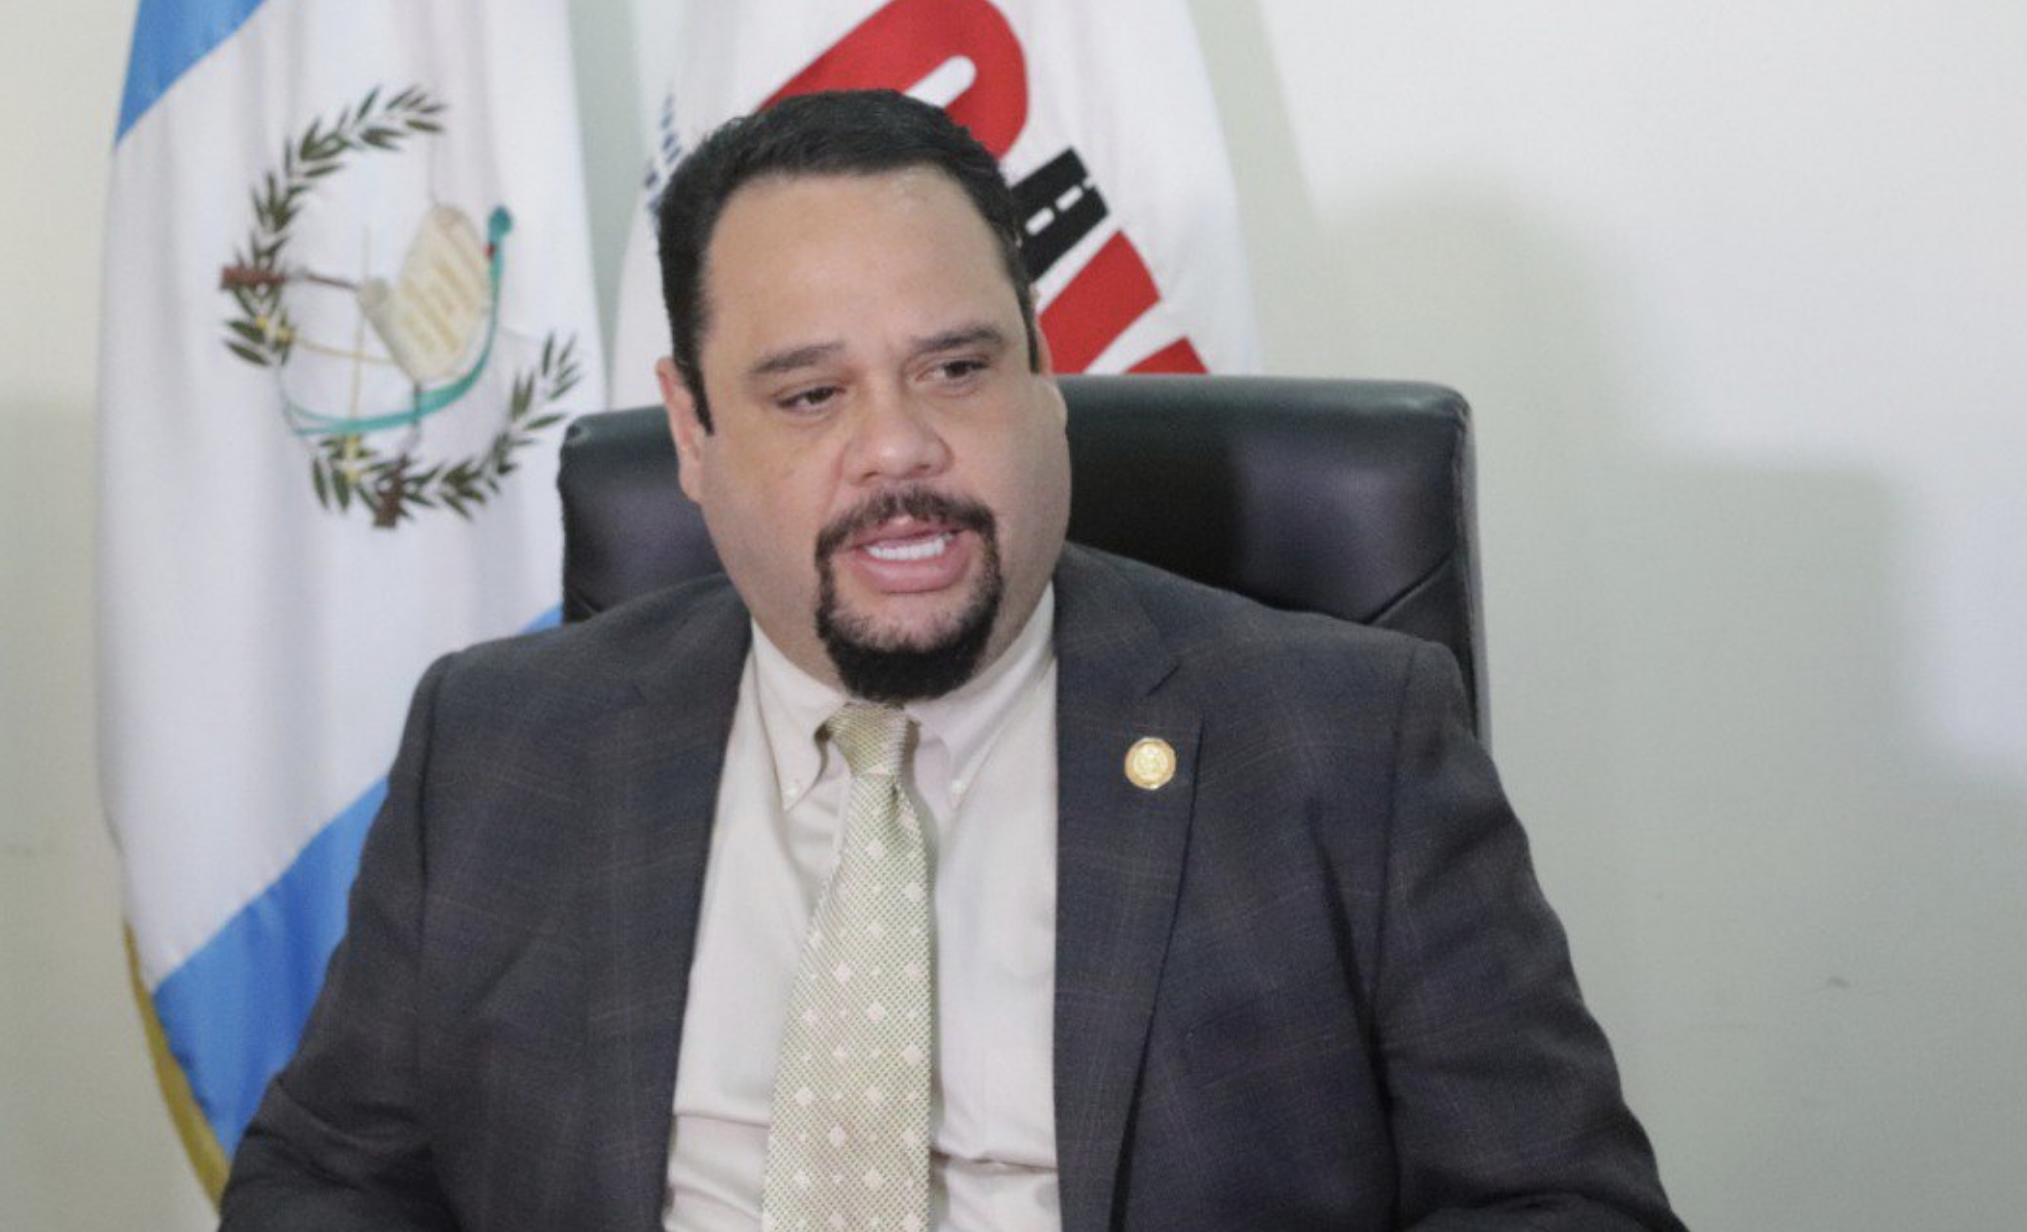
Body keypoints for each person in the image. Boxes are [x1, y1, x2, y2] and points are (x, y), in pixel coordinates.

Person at [219, 90, 1684, 1232]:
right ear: (690, 432)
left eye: (958, 368)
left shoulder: (1347, 742)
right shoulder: (501, 745)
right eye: (809, 395)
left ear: (1045, 378)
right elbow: (328, 1183)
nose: (899, 448)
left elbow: (1557, 1203)